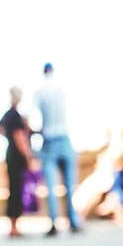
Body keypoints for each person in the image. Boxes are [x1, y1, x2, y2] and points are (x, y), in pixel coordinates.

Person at [33, 63, 81, 236]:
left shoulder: (39, 92)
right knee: (70, 184)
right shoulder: (61, 89)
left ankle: (54, 223)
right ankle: (73, 222)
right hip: (64, 138)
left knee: (51, 187)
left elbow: (34, 119)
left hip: (49, 140)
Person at [0, 87, 38, 237]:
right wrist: (29, 157)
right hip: (17, 157)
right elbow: (20, 138)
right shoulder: (16, 115)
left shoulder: (8, 114)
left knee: (13, 190)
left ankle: (13, 227)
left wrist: (8, 136)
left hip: (10, 154)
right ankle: (14, 228)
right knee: (17, 191)